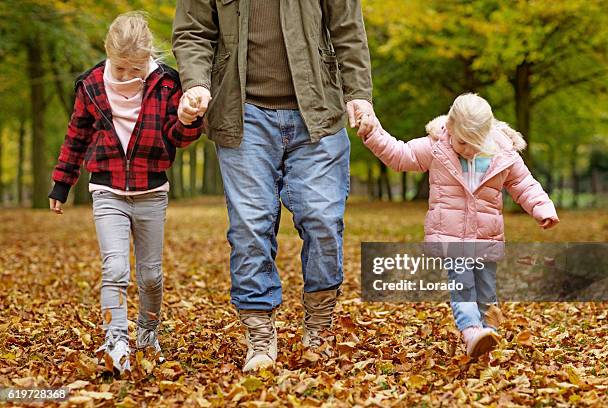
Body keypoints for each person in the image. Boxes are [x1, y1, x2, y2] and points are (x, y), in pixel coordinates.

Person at [172, 0, 378, 371]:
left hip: (318, 111)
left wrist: (358, 92)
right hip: (242, 113)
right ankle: (260, 333)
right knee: (250, 225)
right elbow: (192, 32)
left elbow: (347, 28)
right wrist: (197, 84)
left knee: (323, 219)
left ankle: (319, 325)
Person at [48, 12, 203, 375]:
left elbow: (179, 139)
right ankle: (115, 339)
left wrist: (185, 120)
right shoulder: (91, 85)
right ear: (108, 53)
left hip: (151, 192)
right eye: (120, 68)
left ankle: (148, 333)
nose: (127, 76)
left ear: (148, 57)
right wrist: (62, 182)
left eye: (135, 69)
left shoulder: (166, 84)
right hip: (107, 190)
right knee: (115, 268)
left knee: (151, 275)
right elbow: (76, 137)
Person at [358, 93, 559, 358]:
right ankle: (471, 331)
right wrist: (373, 132)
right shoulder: (436, 147)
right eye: (463, 142)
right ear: (450, 128)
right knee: (463, 285)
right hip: (451, 236)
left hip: (487, 236)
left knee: (486, 290)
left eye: (476, 143)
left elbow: (524, 183)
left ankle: (488, 333)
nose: (469, 149)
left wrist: (542, 208)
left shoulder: (503, 152)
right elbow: (400, 155)